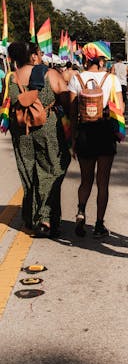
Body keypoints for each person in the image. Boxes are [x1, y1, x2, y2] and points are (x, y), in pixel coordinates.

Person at [5, 41, 70, 237]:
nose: (41, 56)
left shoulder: (11, 78)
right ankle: (46, 218)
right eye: (39, 53)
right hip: (47, 128)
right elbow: (66, 99)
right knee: (53, 168)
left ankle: (31, 217)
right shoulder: (49, 74)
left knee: (28, 171)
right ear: (33, 56)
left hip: (20, 129)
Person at [69, 45, 124, 239]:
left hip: (84, 132)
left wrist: (73, 140)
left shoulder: (76, 79)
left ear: (85, 60)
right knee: (103, 182)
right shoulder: (111, 79)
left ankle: (81, 212)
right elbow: (121, 107)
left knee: (85, 180)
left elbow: (73, 112)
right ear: (101, 60)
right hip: (105, 132)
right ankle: (99, 224)